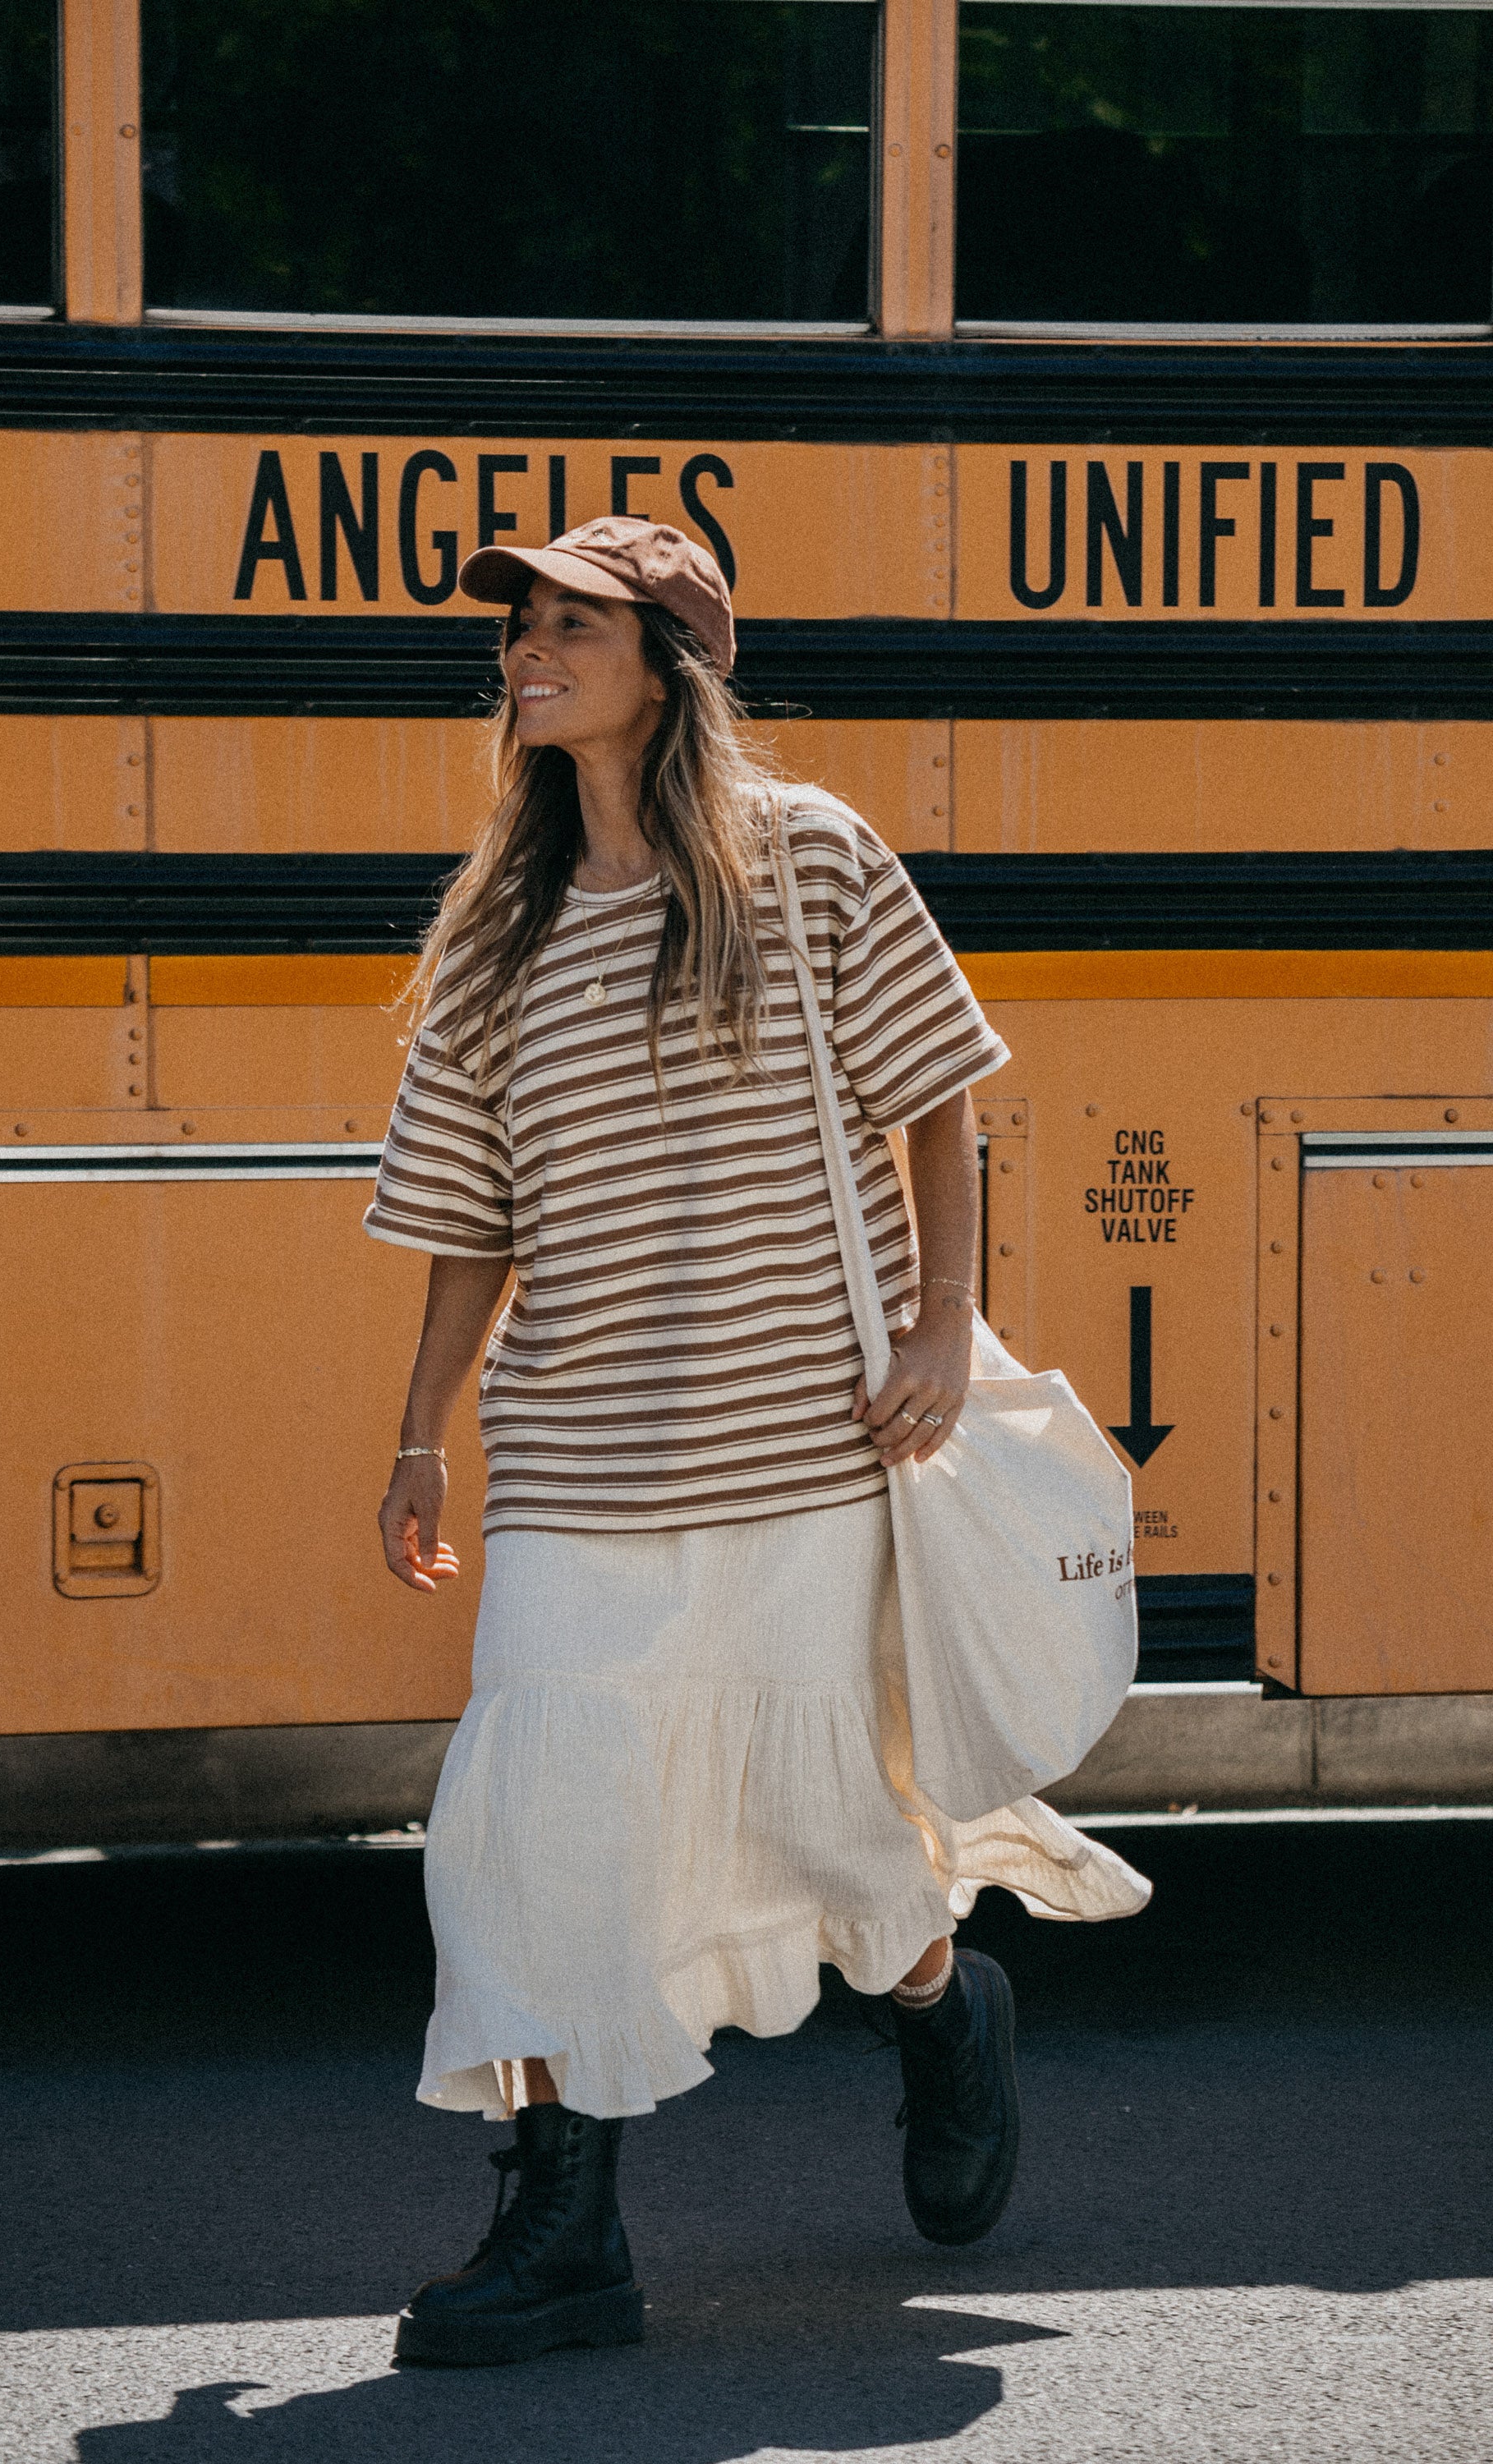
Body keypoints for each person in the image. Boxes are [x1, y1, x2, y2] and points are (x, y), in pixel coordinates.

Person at [366, 516, 1149, 2370]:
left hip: (804, 1440)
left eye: (575, 624)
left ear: (671, 665)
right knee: (527, 1831)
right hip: (578, 1464)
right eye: (525, 626)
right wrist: (420, 1433)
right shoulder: (496, 925)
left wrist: (942, 1319)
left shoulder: (807, 859)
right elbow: (472, 1210)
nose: (532, 651)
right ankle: (562, 2234)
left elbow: (936, 1089)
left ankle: (947, 2006)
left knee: (840, 1832)